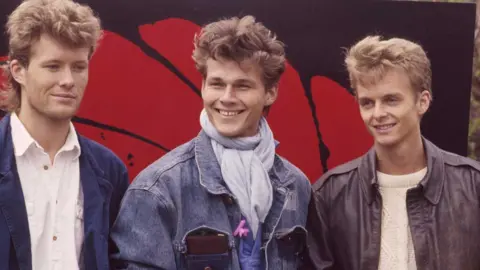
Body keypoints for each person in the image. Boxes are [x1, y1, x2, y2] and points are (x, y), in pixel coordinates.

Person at [110, 15, 311, 269]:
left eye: (242, 86)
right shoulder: (159, 190)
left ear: (270, 92)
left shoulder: (296, 186)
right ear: (203, 86)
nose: (227, 98)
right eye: (217, 84)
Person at [306, 35, 480, 270]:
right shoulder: (330, 196)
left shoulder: (473, 186)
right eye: (367, 103)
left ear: (423, 101)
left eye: (391, 100)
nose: (377, 113)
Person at [0, 0, 129, 269]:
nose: (68, 80)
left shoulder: (109, 171)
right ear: (18, 71)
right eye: (53, 66)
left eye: (79, 67)